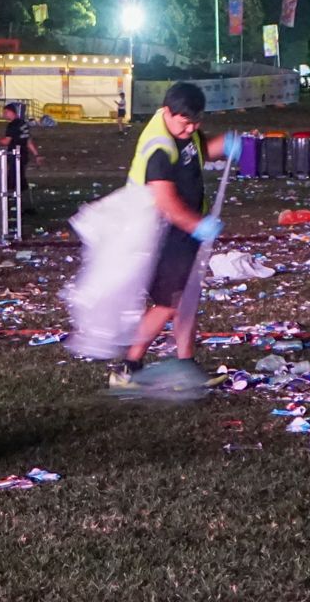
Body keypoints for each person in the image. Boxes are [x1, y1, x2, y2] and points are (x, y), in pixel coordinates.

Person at [109, 81, 241, 389]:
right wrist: (198, 226)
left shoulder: (185, 130)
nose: (191, 128)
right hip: (163, 234)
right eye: (185, 123)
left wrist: (222, 144)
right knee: (168, 303)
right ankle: (128, 367)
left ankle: (185, 365)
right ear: (168, 112)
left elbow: (195, 153)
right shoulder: (158, 147)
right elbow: (165, 202)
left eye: (197, 122)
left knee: (186, 301)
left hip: (182, 233)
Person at [0, 102, 40, 206]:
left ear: (12, 112)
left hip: (15, 157)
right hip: (23, 156)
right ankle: (27, 205)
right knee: (21, 180)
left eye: (6, 112)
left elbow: (6, 141)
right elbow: (28, 141)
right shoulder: (23, 124)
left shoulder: (12, 125)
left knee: (11, 181)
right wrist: (36, 155)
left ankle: (6, 206)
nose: (4, 114)